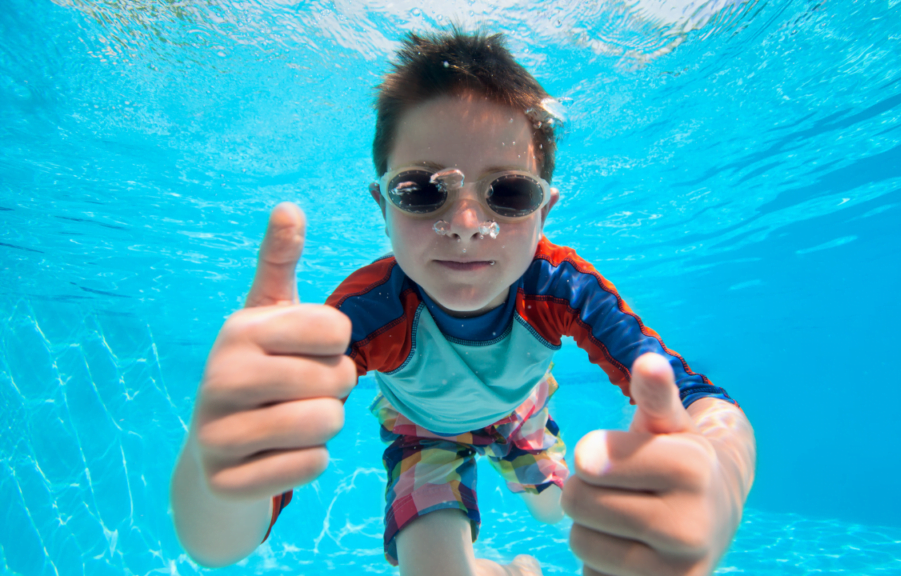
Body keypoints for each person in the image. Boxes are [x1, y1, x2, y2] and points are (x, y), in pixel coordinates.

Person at [170, 29, 756, 576]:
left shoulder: (560, 286)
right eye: (423, 191)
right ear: (382, 206)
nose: (468, 225)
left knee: (561, 510)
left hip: (520, 414)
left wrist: (722, 472)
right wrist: (218, 469)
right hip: (422, 429)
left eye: (508, 192)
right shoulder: (365, 313)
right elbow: (220, 547)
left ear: (543, 211)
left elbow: (697, 400)